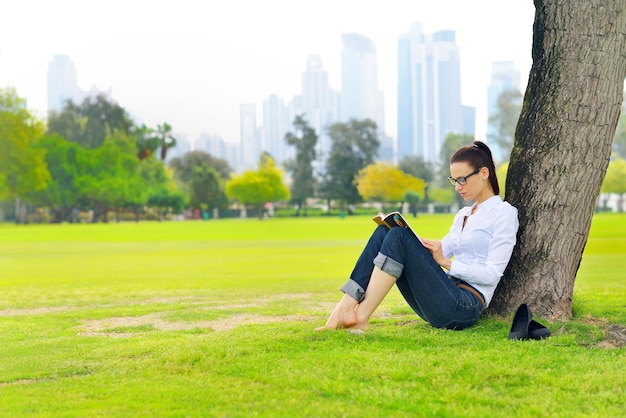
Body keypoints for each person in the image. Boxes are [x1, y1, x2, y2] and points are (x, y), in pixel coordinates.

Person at [316, 141, 519, 331]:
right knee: (387, 230)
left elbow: (492, 275)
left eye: (462, 180)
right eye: (454, 181)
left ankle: (360, 317)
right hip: (442, 293)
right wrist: (408, 234)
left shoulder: (504, 213)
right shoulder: (464, 215)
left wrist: (448, 264)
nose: (458, 187)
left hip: (463, 305)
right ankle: (344, 308)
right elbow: (437, 251)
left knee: (398, 236)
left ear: (484, 173)